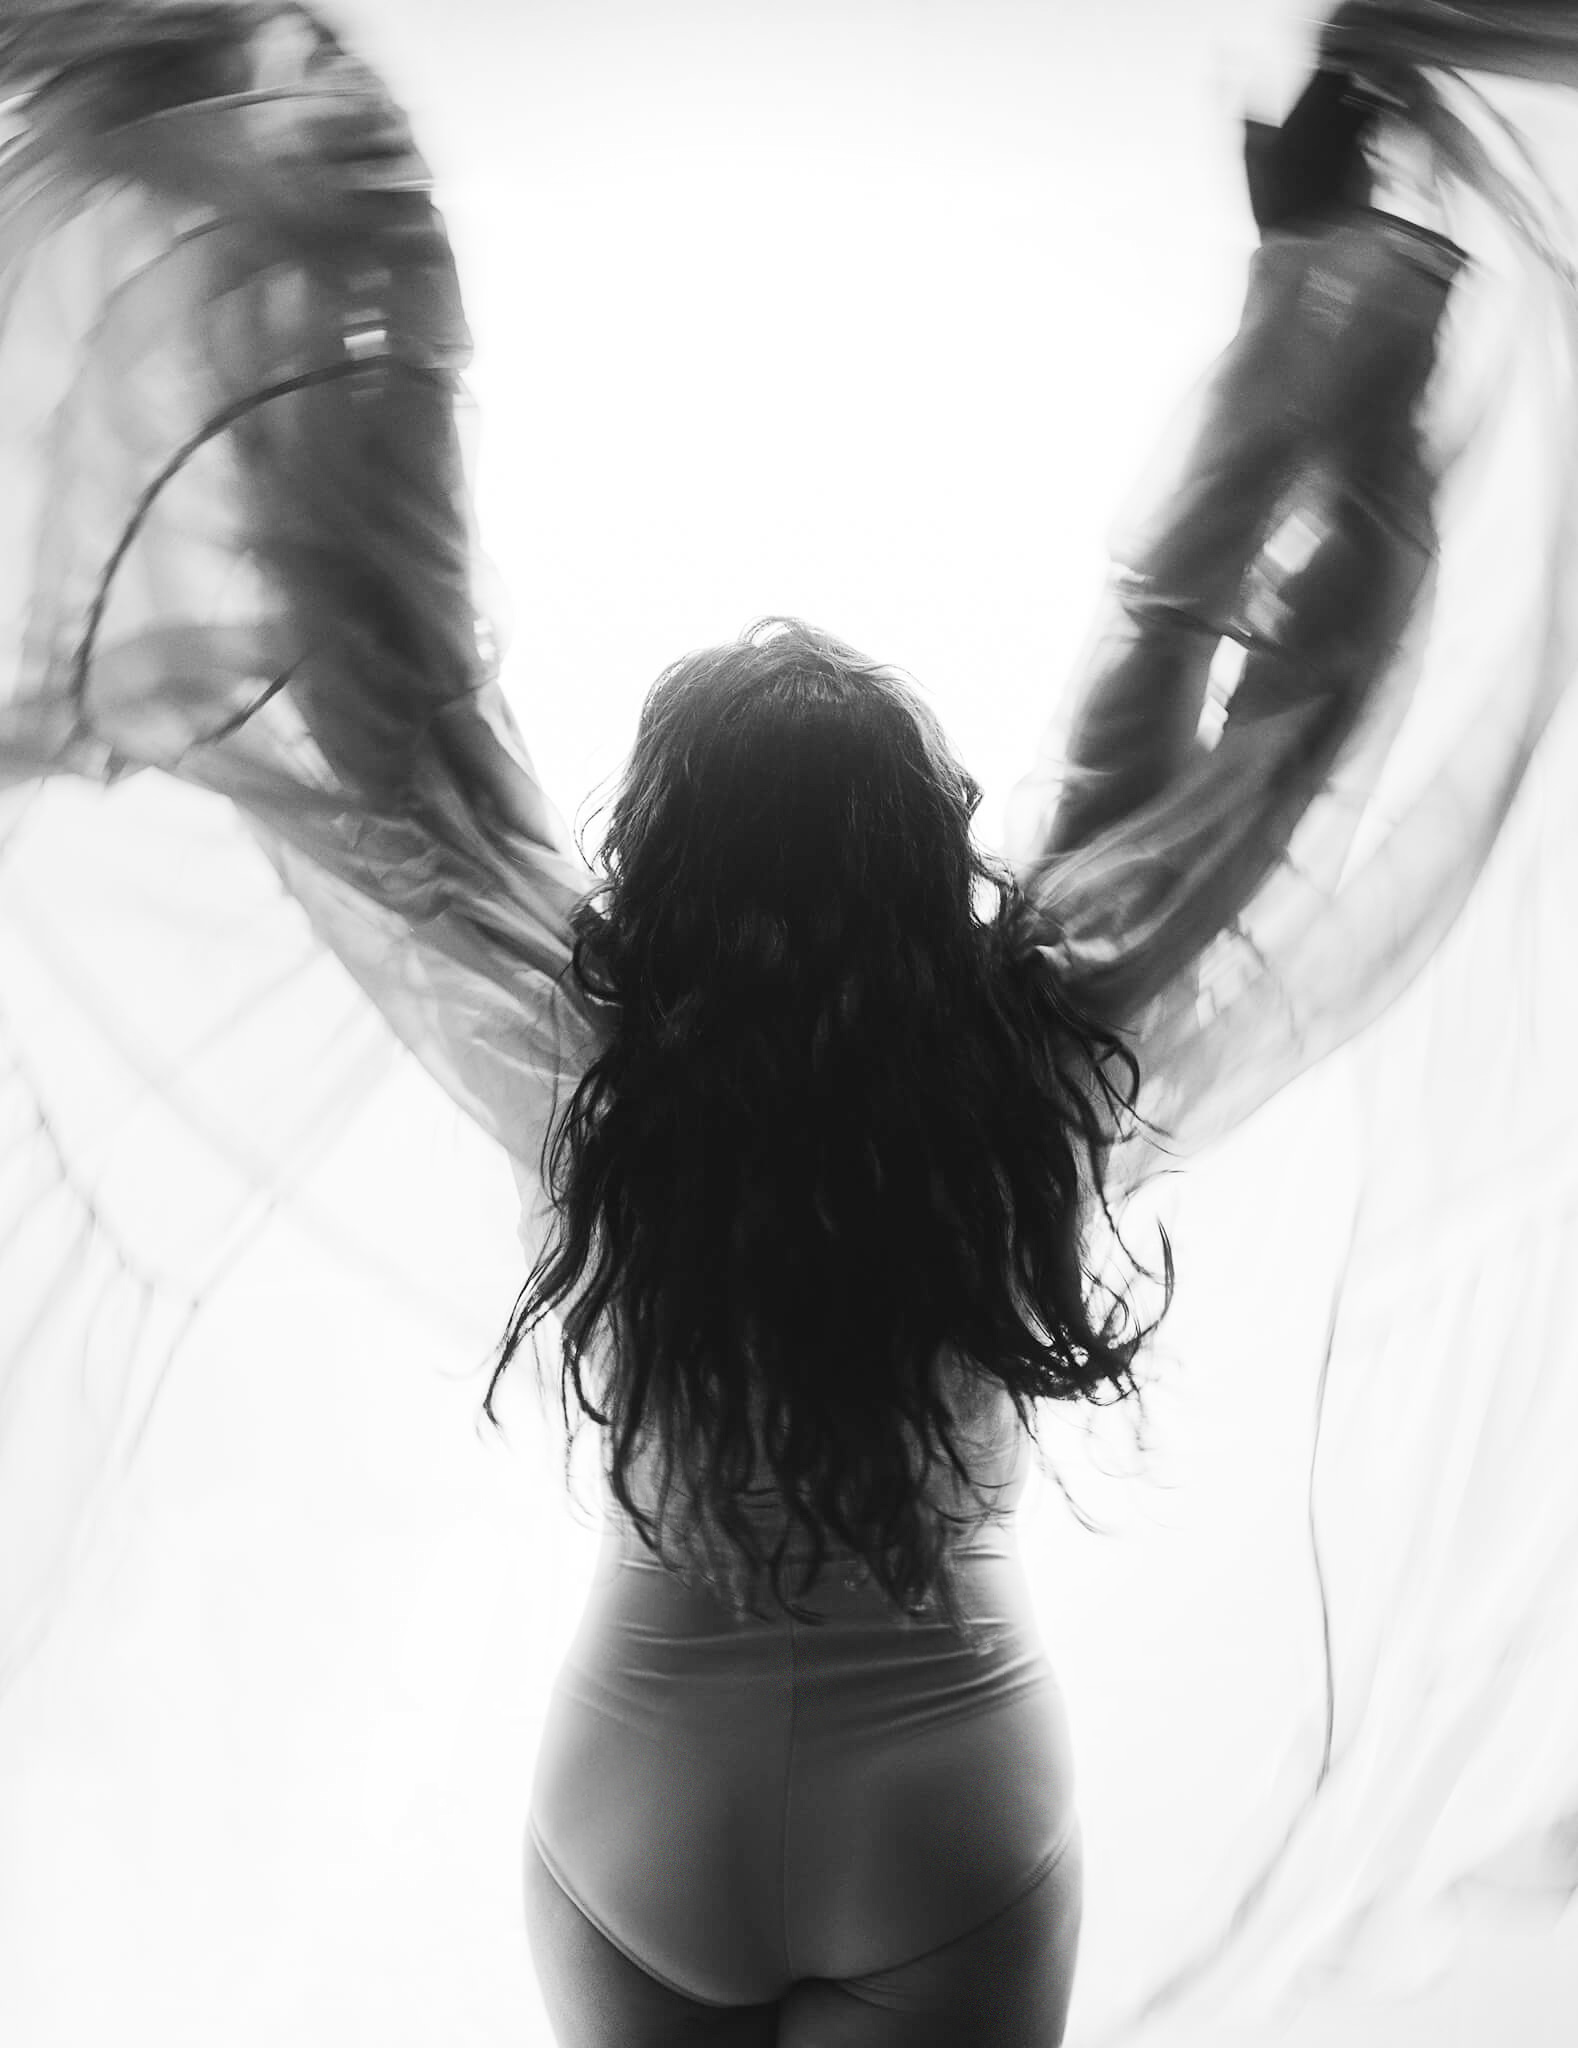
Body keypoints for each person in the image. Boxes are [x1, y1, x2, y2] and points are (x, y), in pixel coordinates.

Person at [1, 3, 1576, 2043]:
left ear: (667, 873)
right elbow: (1246, 710)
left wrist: (333, 252)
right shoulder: (1039, 1055)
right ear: (922, 864)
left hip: (636, 1795)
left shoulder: (595, 1082)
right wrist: (1338, 320)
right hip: (947, 1796)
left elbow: (390, 699)